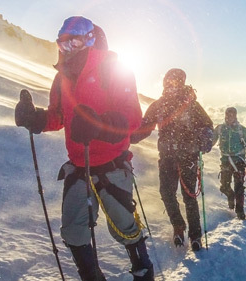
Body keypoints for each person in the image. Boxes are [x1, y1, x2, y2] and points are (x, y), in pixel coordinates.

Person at [15, 16, 153, 280]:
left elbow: (132, 117)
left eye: (74, 41)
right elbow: (59, 116)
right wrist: (36, 119)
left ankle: (143, 270)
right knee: (74, 232)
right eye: (63, 43)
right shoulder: (61, 78)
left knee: (124, 228)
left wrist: (100, 125)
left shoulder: (112, 69)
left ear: (90, 40)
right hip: (79, 166)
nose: (67, 48)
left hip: (112, 164)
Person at [131, 68, 213, 251]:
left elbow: (208, 125)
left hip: (188, 157)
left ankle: (195, 234)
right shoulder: (159, 105)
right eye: (169, 81)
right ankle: (179, 226)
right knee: (167, 193)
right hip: (167, 157)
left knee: (188, 196)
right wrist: (126, 138)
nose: (171, 84)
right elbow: (144, 128)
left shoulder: (191, 105)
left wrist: (206, 138)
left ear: (182, 82)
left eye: (176, 81)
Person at [211, 107, 246, 220]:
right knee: (224, 186)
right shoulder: (220, 129)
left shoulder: (242, 130)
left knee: (239, 187)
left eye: (232, 115)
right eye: (228, 115)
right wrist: (200, 149)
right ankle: (231, 196)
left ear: (235, 116)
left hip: (239, 162)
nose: (230, 117)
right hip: (226, 161)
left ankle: (240, 210)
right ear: (225, 115)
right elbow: (211, 142)